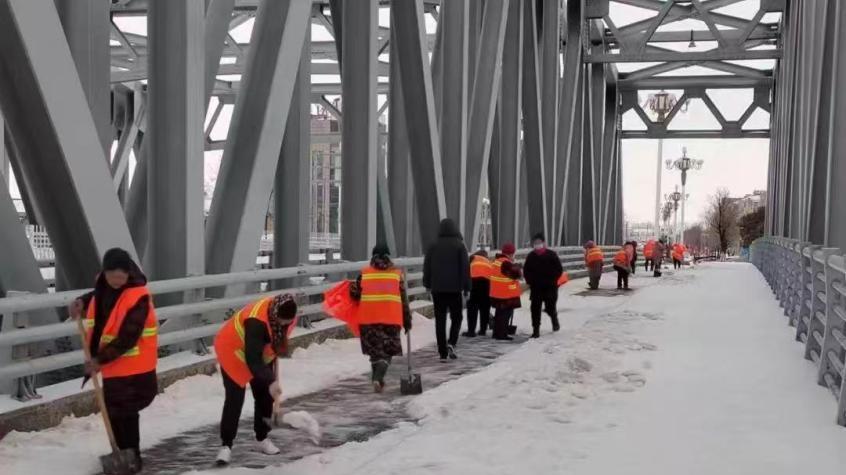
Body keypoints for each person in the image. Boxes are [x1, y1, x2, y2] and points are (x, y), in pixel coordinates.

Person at [69, 248, 158, 472]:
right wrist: (82, 301)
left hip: (135, 367)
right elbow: (100, 297)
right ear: (104, 273)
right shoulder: (105, 285)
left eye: (121, 277)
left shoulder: (139, 297)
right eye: (112, 277)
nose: (117, 282)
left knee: (126, 412)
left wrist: (100, 359)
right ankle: (122, 453)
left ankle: (132, 456)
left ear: (129, 274)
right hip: (113, 366)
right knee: (114, 411)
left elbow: (128, 336)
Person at [213, 294, 297, 465]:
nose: (284, 325)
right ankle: (226, 446)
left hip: (260, 352)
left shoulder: (288, 316)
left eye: (287, 322)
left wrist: (270, 379)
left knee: (265, 394)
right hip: (233, 352)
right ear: (274, 315)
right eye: (282, 321)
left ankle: (261, 438)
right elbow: (253, 360)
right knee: (235, 398)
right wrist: (271, 380)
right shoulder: (256, 322)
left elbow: (276, 341)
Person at [350, 243, 412, 386]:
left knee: (374, 350)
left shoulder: (364, 274)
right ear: (389, 257)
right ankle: (378, 378)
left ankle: (377, 379)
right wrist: (407, 321)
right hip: (391, 318)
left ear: (373, 257)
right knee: (387, 352)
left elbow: (355, 295)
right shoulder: (396, 274)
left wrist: (351, 289)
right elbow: (404, 300)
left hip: (368, 318)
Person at [423, 218, 470, 360]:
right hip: (454, 289)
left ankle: (442, 351)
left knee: (440, 319)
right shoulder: (459, 246)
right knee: (457, 317)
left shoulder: (433, 246)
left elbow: (427, 266)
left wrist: (427, 284)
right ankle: (452, 342)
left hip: (437, 289)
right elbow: (465, 269)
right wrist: (467, 288)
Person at [523, 233, 563, 338]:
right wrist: (530, 281)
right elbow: (526, 271)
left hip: (550, 287)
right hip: (536, 288)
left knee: (550, 307)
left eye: (539, 243)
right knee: (535, 309)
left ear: (543, 243)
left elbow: (559, 269)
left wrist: (552, 279)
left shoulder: (551, 255)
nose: (537, 245)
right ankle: (536, 330)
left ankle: (554, 319)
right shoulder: (531, 256)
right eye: (535, 243)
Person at [489, 242, 522, 341]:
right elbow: (516, 274)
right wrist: (518, 267)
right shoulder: (506, 263)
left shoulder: (497, 261)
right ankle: (502, 334)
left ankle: (496, 333)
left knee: (499, 314)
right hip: (506, 294)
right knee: (505, 315)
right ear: (510, 253)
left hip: (497, 292)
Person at [466, 249, 493, 337]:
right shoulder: (488, 261)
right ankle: (483, 330)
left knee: (472, 307)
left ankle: (471, 331)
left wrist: (466, 288)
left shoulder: (472, 258)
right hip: (487, 284)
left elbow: (466, 271)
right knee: (485, 308)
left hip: (474, 282)